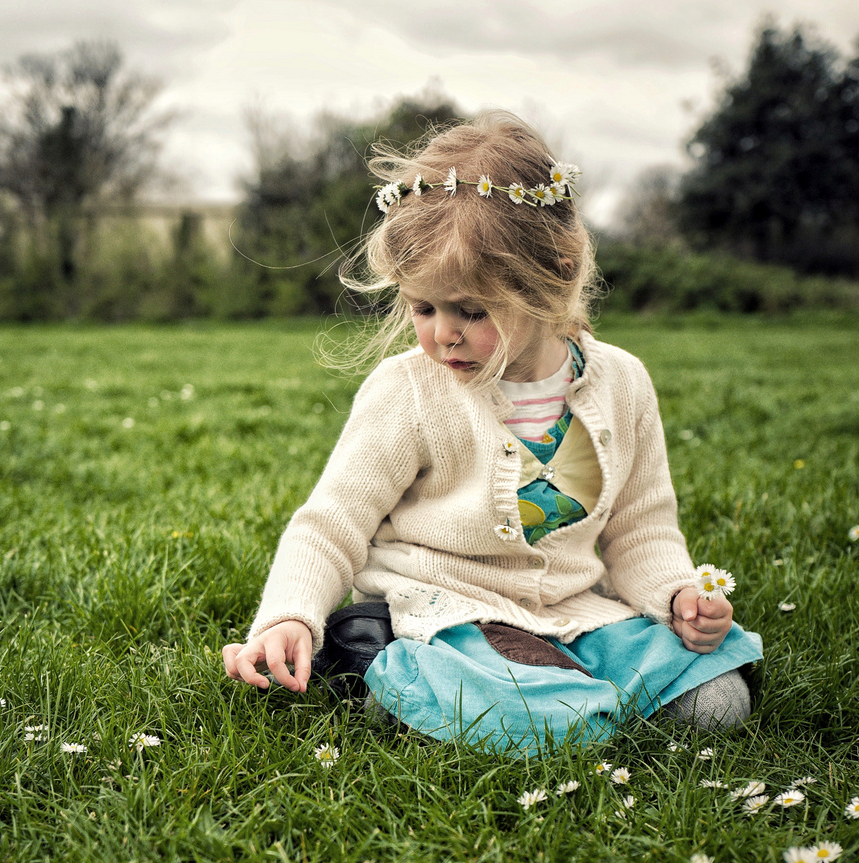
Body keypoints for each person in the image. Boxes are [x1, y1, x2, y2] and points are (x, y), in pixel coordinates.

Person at [221, 111, 761, 751]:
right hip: (449, 613)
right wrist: (289, 617)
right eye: (423, 308)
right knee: (541, 717)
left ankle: (543, 691)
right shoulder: (410, 390)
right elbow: (333, 520)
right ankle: (384, 664)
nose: (442, 332)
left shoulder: (623, 382)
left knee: (717, 700)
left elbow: (642, 526)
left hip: (577, 612)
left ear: (552, 276)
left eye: (471, 311)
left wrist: (676, 598)